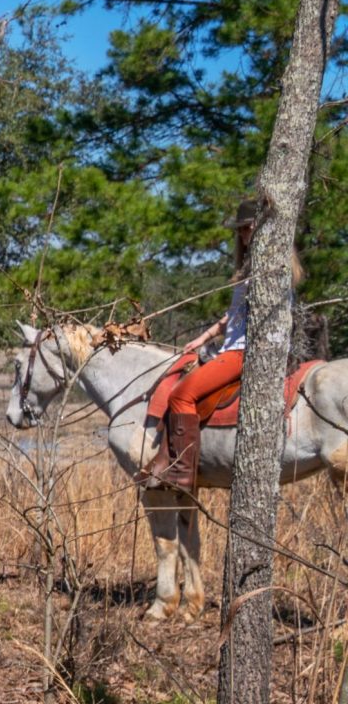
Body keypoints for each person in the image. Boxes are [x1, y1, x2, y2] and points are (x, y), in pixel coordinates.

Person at [141, 203, 267, 492]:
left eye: (249, 227)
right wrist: (203, 338)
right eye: (241, 229)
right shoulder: (248, 269)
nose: (244, 234)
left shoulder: (267, 269)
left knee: (180, 395)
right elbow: (232, 316)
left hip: (241, 352)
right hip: (232, 348)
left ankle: (182, 473)